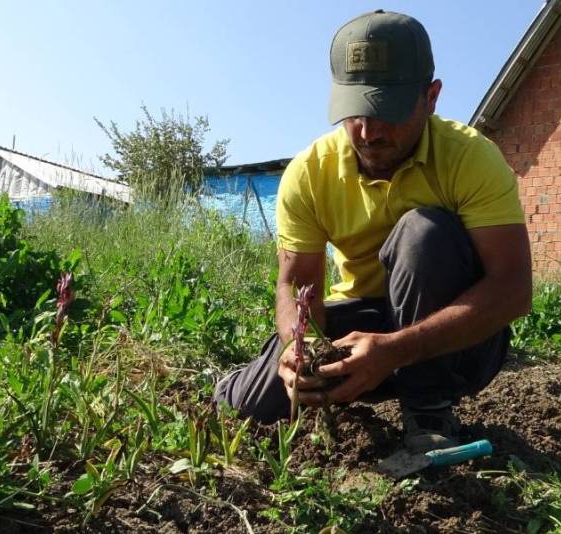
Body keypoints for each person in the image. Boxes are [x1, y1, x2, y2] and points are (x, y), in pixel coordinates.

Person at [214, 9, 532, 453]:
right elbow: (296, 284)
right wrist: (299, 346)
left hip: (455, 345)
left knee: (424, 233)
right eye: (355, 111)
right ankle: (240, 384)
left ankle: (428, 410)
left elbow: (514, 288)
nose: (369, 131)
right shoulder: (309, 173)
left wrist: (395, 350)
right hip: (362, 326)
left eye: (388, 111)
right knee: (248, 404)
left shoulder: (470, 158)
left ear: (432, 96)